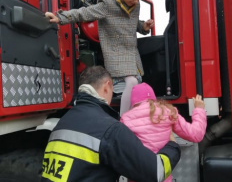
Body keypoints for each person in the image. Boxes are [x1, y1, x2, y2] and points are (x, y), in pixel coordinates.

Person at [41, 66, 181, 182]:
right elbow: (156, 172)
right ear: (107, 86)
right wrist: (172, 146)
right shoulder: (110, 129)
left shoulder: (62, 124)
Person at [45, 0, 154, 115]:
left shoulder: (135, 5)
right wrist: (61, 17)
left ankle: (134, 116)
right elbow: (84, 13)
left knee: (135, 85)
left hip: (131, 54)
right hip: (115, 53)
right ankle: (125, 120)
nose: (136, 0)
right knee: (132, 82)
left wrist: (143, 27)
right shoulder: (107, 4)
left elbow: (131, 24)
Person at [120, 82, 207, 182]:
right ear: (153, 97)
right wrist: (199, 110)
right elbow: (196, 134)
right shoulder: (167, 112)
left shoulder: (126, 119)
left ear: (133, 101)